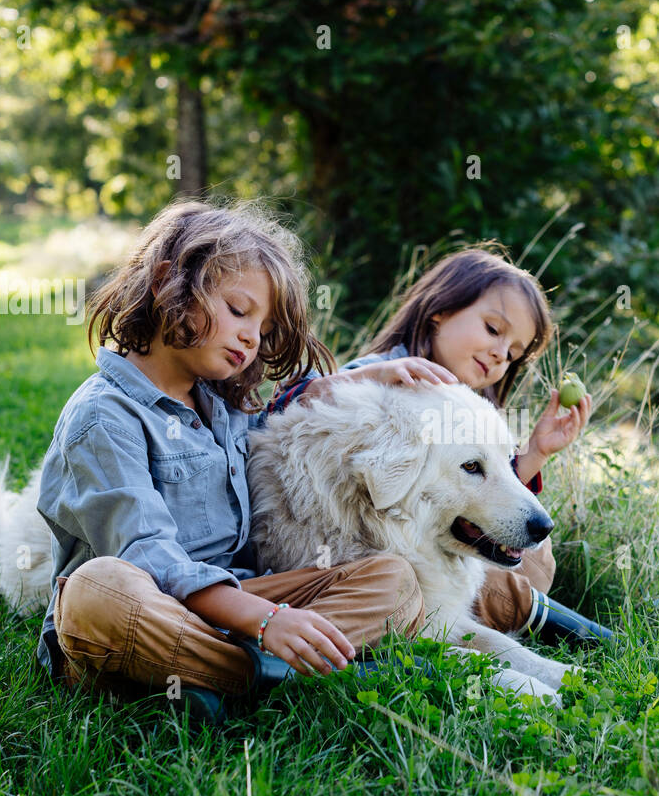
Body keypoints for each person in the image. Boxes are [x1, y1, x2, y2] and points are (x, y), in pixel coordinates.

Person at [34, 199, 431, 726]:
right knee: (98, 588)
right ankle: (262, 675)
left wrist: (356, 380)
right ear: (164, 284)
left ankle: (223, 682)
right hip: (143, 614)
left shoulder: (219, 405)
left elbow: (275, 423)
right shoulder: (103, 418)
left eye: (262, 330)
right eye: (239, 311)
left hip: (233, 605)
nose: (251, 337)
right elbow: (149, 555)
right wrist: (268, 622)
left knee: (394, 580)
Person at [258, 243, 614, 646]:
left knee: (534, 553)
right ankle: (584, 636)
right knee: (506, 581)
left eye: (513, 354)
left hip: (438, 550)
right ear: (439, 312)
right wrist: (369, 375)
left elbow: (485, 482)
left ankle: (553, 626)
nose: (500, 354)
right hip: (362, 552)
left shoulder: (473, 407)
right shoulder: (383, 381)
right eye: (494, 330)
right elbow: (294, 407)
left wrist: (537, 453)